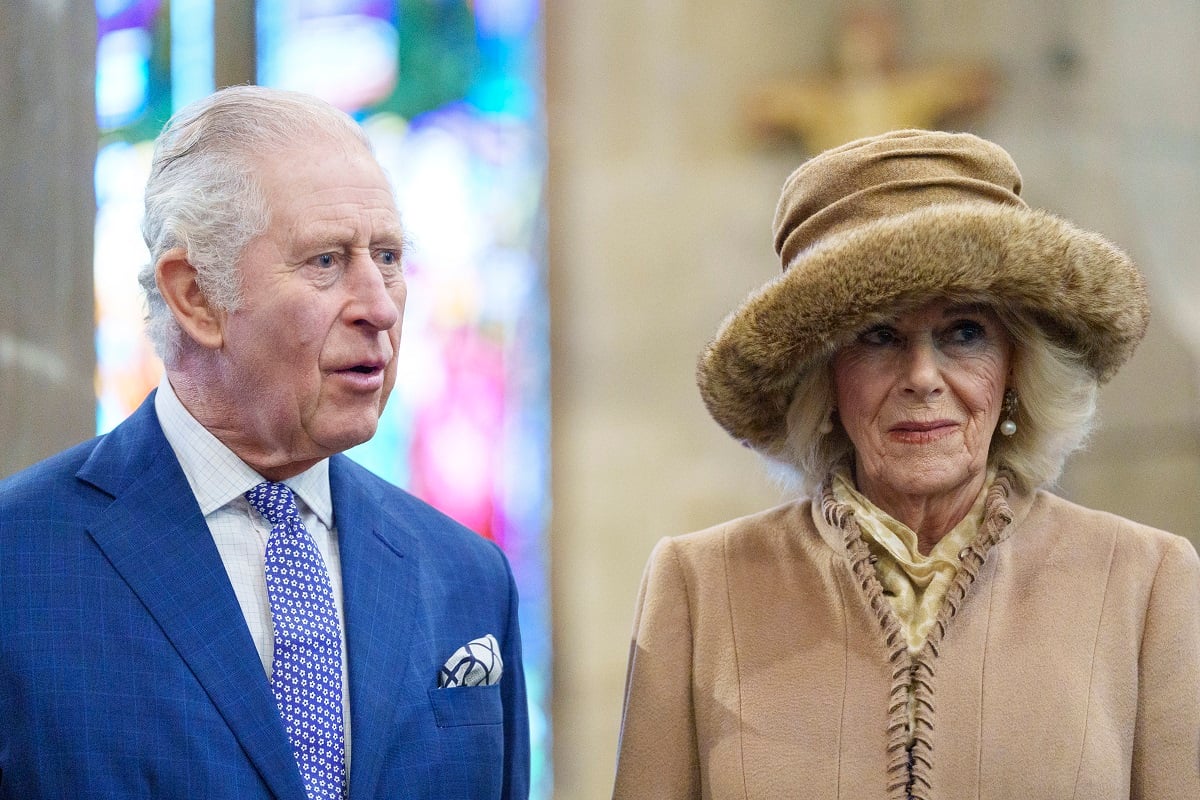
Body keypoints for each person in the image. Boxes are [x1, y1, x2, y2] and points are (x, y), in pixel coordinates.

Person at [612, 130, 1199, 799]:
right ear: (822, 378)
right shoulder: (698, 587)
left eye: (965, 332)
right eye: (878, 336)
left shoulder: (1146, 584)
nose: (923, 377)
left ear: (1017, 366)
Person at [0, 85, 529, 799]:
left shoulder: (466, 576)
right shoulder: (21, 561)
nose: (378, 305)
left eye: (389, 256)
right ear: (195, 296)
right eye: (326, 261)